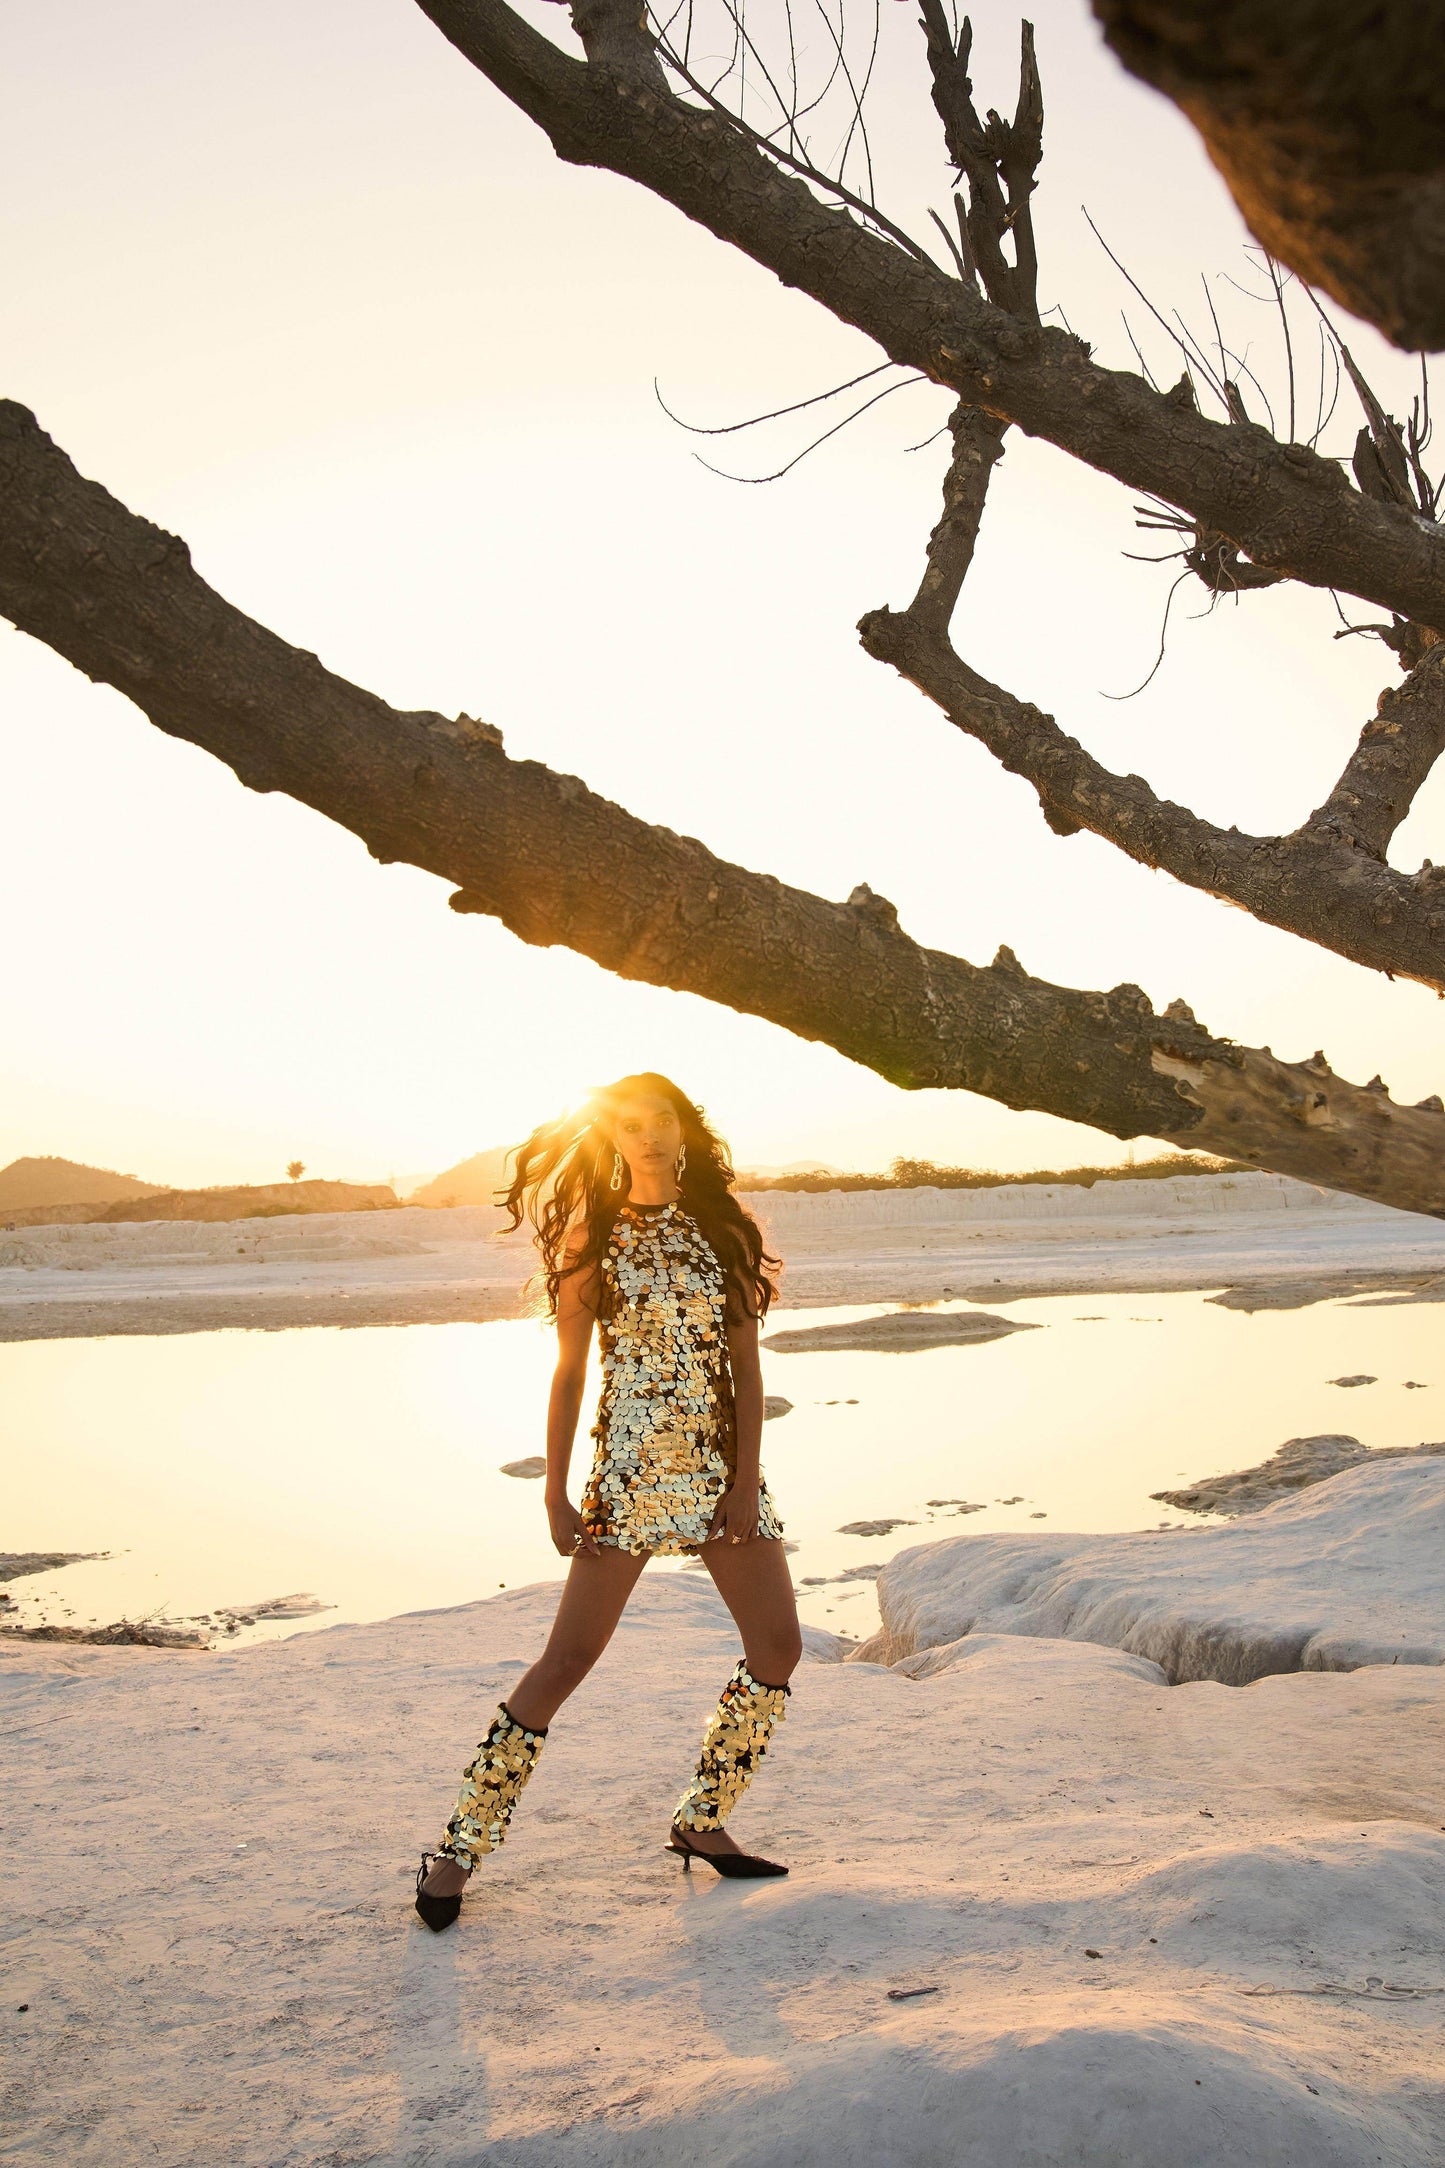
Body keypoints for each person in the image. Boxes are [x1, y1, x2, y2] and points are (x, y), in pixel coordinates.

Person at [414, 1072, 802, 1931]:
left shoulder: (725, 1230)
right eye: (630, 1124)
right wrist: (554, 1491)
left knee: (779, 1646)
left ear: (684, 1128)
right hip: (628, 1475)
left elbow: (745, 1366)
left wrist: (744, 1480)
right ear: (612, 1138)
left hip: (717, 1469)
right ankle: (457, 1848)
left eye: (661, 1119)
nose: (648, 1135)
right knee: (566, 1661)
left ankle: (702, 1818)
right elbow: (568, 1373)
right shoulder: (594, 1234)